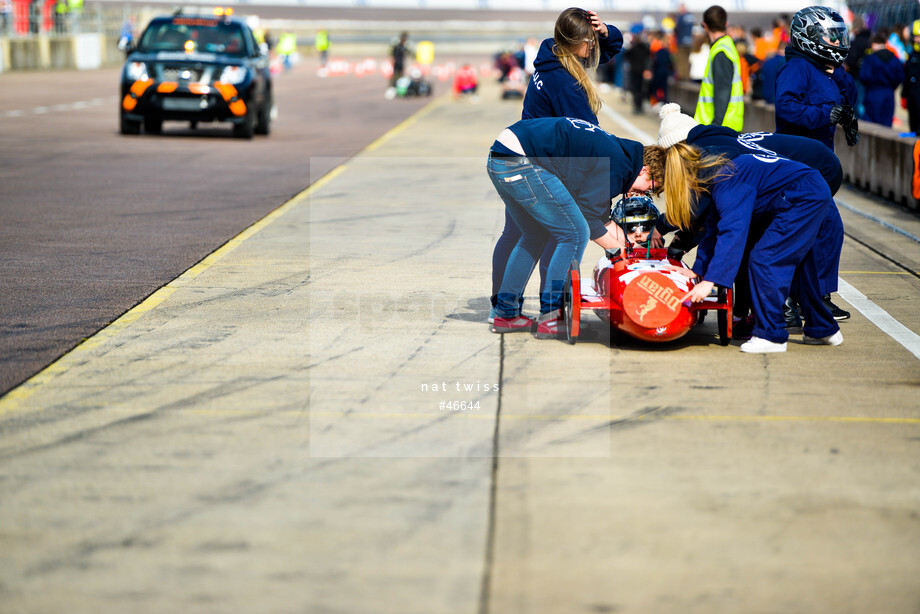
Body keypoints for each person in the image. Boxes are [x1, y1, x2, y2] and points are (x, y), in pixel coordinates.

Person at [655, 102, 850, 326]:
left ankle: (786, 313)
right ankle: (812, 319)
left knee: (765, 254)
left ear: (679, 146)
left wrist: (664, 230)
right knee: (776, 247)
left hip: (816, 172)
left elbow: (714, 216)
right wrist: (690, 251)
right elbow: (713, 216)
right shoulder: (718, 142)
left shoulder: (711, 154)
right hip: (808, 174)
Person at [490, 8, 624, 323]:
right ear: (575, 43)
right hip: (536, 163)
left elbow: (613, 50)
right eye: (589, 42)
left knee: (524, 234)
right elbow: (588, 141)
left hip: (523, 154)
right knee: (566, 232)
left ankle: (505, 306)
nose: (593, 48)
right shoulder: (565, 83)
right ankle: (548, 309)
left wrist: (605, 32)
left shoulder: (556, 55)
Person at [643, 144, 842, 353]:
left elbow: (733, 233)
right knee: (801, 266)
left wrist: (710, 282)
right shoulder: (719, 175)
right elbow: (713, 230)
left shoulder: (727, 182)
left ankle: (771, 335)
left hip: (803, 196)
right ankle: (822, 328)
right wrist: (698, 271)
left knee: (765, 259)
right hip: (807, 190)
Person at [487, 117, 655, 338]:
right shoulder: (617, 166)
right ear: (644, 170)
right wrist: (619, 254)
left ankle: (506, 314)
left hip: (500, 157)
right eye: (652, 186)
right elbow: (590, 221)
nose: (645, 193)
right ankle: (551, 316)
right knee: (575, 234)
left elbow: (600, 217)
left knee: (534, 234)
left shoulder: (619, 155)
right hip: (520, 160)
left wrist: (630, 245)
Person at [775, 6, 857, 150]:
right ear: (811, 35)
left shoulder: (827, 69)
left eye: (840, 36)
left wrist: (836, 71)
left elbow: (850, 97)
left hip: (822, 154)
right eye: (833, 37)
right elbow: (786, 107)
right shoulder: (797, 67)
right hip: (798, 156)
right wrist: (826, 114)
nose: (838, 42)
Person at [523, 8, 624, 122]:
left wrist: (605, 30)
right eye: (590, 39)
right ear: (573, 40)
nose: (594, 43)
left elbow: (613, 47)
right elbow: (588, 132)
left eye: (595, 37)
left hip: (534, 136)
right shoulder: (564, 83)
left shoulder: (553, 56)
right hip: (543, 138)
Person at [694, 5, 744, 131]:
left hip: (719, 127)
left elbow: (722, 92)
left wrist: (715, 126)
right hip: (726, 124)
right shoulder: (726, 46)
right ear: (726, 24)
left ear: (704, 25)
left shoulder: (720, 51)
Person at [860, 33, 904, 127]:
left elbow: (864, 77)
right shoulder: (895, 59)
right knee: (886, 125)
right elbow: (900, 77)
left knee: (870, 125)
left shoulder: (871, 59)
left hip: (873, 93)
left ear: (874, 44)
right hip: (888, 93)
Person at [624, 31, 651, 114]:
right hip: (642, 72)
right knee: (641, 89)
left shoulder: (633, 49)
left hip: (634, 71)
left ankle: (636, 106)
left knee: (635, 89)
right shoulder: (645, 49)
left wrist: (632, 62)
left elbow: (626, 55)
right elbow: (649, 59)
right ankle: (640, 106)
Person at [903, 20, 920, 133]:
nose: (917, 40)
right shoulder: (911, 55)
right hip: (912, 97)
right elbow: (906, 77)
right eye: (915, 37)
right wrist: (904, 95)